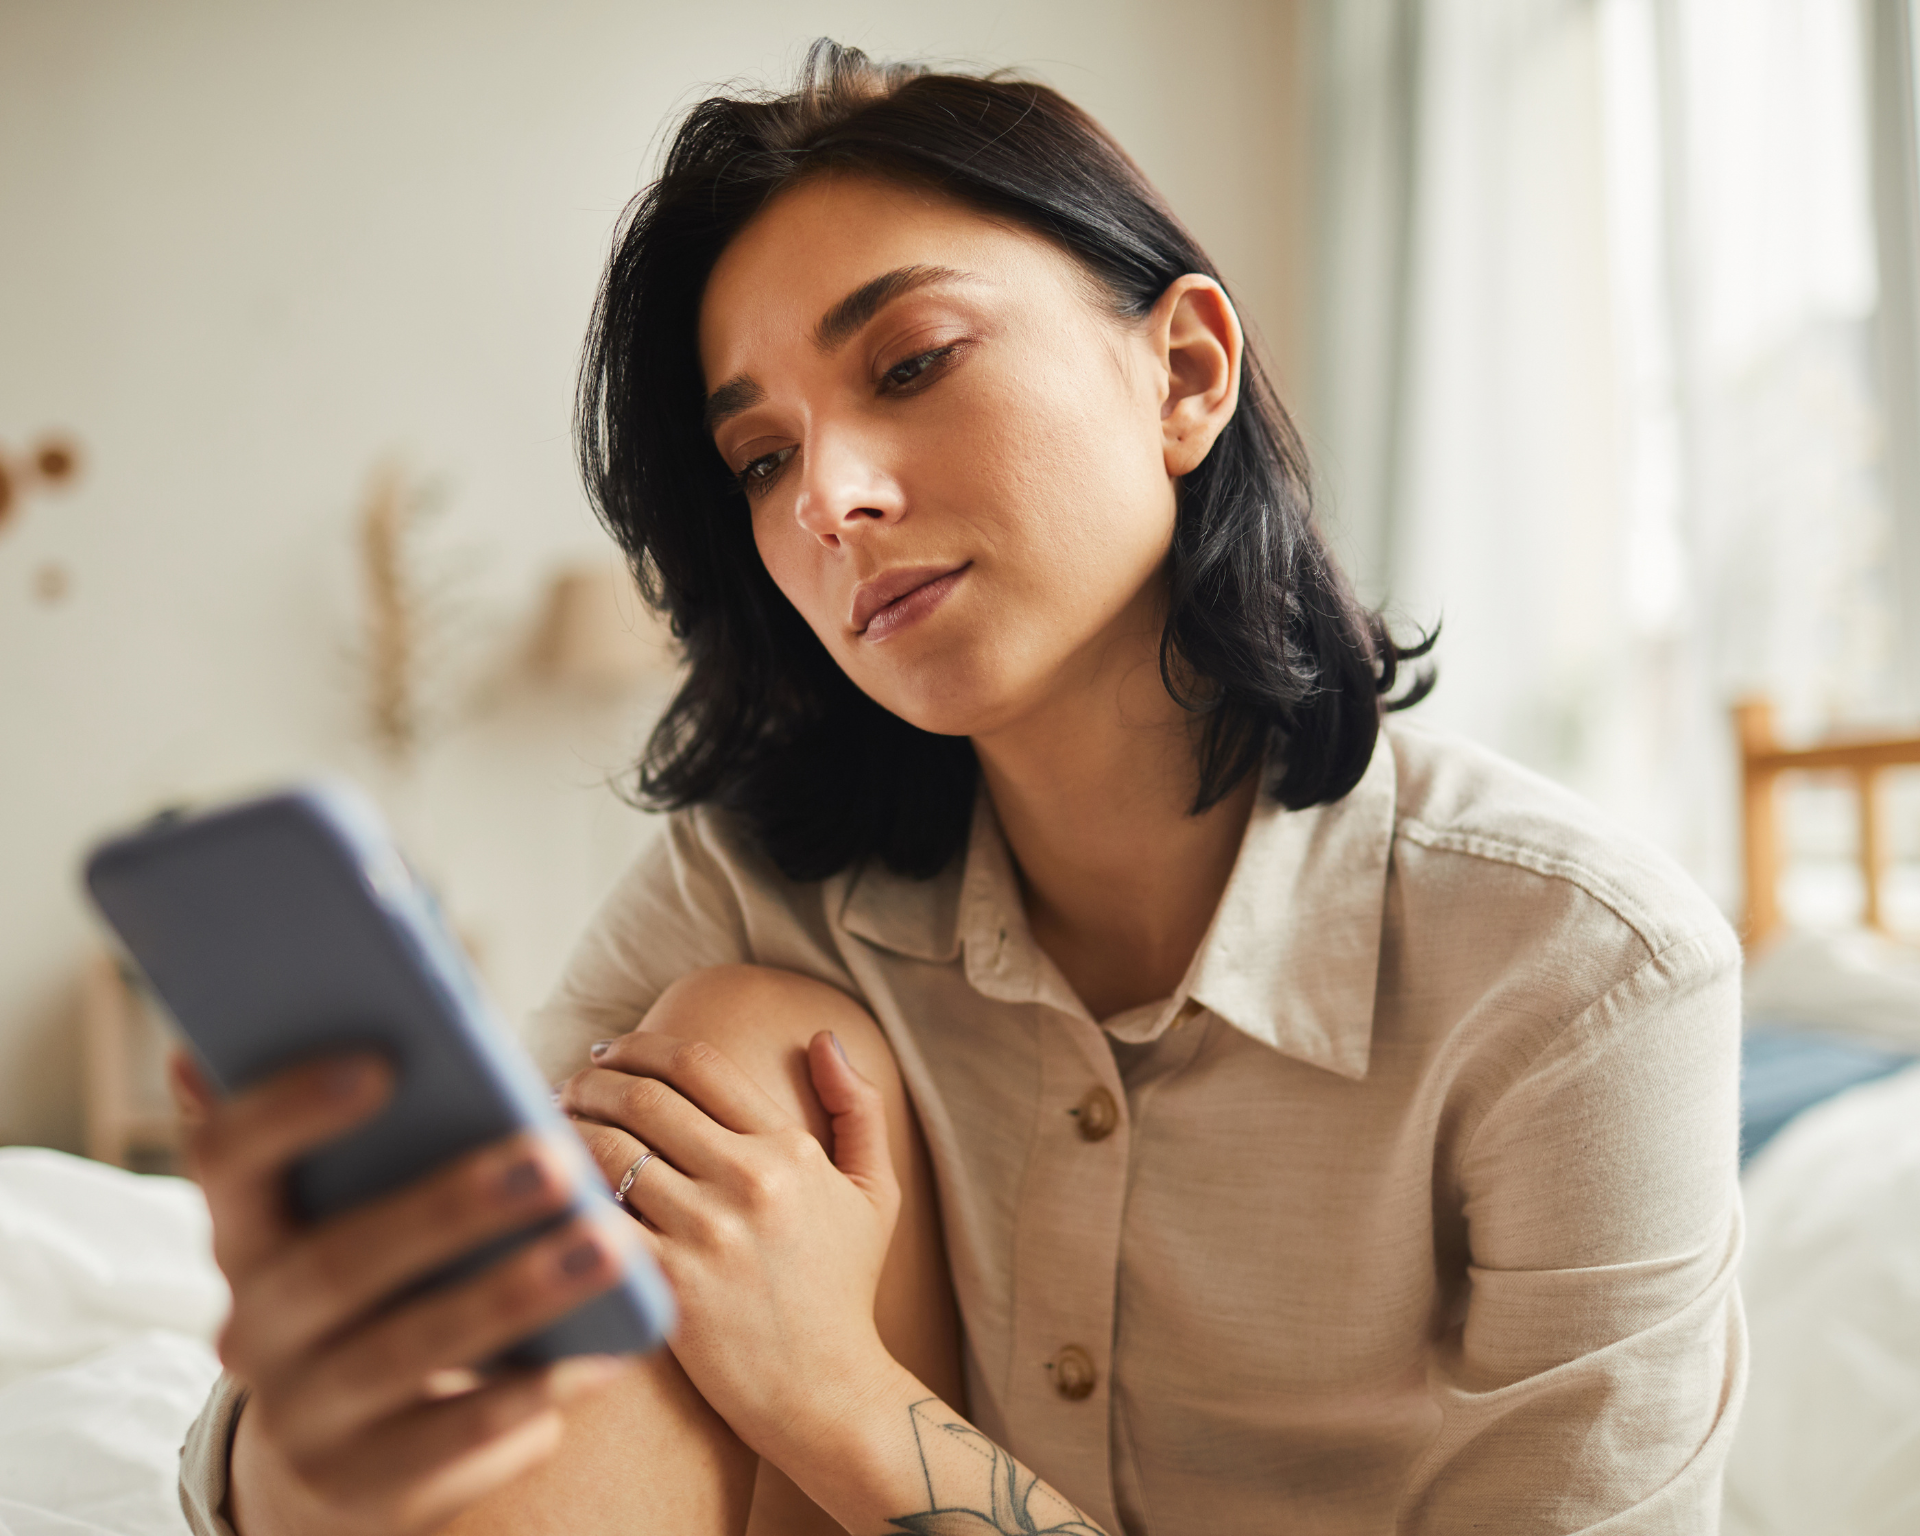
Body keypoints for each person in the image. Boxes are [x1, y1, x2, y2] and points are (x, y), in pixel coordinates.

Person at [174, 40, 1745, 1536]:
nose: (835, 500)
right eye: (763, 462)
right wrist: (326, 1400)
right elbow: (441, 1418)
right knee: (727, 1057)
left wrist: (840, 1396)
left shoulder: (1581, 977)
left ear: (1186, 372)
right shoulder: (758, 893)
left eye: (912, 363)